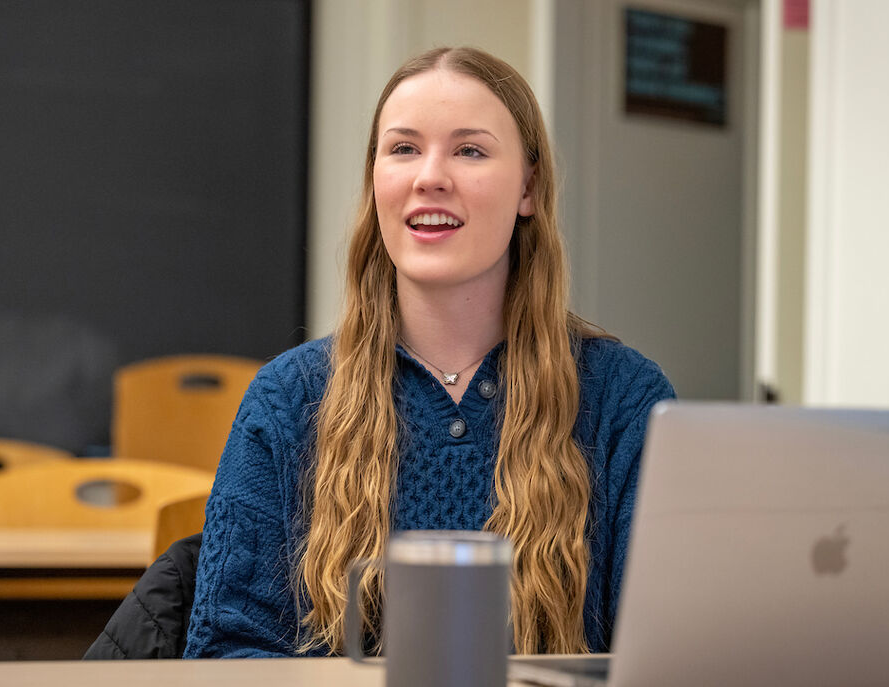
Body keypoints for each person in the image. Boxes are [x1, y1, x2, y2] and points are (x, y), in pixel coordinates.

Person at [184, 46, 675, 659]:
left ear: (530, 185)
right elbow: (226, 652)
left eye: (469, 150)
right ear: (376, 182)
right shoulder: (288, 398)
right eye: (403, 148)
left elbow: (669, 653)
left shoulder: (624, 399)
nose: (429, 176)